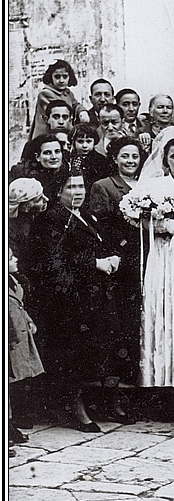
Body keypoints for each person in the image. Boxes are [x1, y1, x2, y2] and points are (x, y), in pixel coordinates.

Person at [29, 170, 123, 431]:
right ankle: (75, 408)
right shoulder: (51, 220)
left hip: (96, 295)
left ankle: (108, 402)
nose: (78, 192)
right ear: (59, 192)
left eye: (81, 186)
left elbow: (100, 245)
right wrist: (95, 263)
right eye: (71, 187)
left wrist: (111, 258)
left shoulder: (87, 216)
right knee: (72, 354)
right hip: (70, 299)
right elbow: (53, 260)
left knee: (105, 347)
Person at [120, 127, 174, 391]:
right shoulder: (155, 185)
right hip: (162, 254)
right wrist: (162, 225)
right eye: (173, 156)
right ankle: (159, 380)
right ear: (165, 159)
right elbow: (134, 216)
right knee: (162, 303)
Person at [89, 137, 147, 389]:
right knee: (124, 319)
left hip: (148, 258)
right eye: (125, 156)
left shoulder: (148, 184)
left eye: (134, 156)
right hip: (123, 260)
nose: (130, 161)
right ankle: (121, 378)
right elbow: (102, 226)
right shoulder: (105, 186)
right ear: (115, 159)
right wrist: (122, 249)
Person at [8, 247, 45, 444]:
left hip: (21, 337)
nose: (16, 259)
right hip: (10, 340)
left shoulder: (13, 282)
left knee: (16, 383)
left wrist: (29, 320)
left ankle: (11, 424)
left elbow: (19, 306)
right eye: (11, 257)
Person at [29, 59, 86, 140]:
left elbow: (75, 104)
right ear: (50, 77)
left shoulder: (68, 93)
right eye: (57, 77)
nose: (61, 80)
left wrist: (82, 111)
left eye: (65, 76)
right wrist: (76, 132)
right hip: (47, 134)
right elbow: (58, 116)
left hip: (62, 132)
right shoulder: (46, 94)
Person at [10, 133, 68, 207]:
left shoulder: (68, 173)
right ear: (37, 157)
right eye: (47, 153)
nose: (54, 157)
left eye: (57, 151)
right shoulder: (23, 173)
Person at [8, 179, 49, 280]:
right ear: (26, 206)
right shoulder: (10, 231)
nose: (46, 199)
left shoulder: (35, 216)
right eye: (39, 199)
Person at [69, 123, 109, 192]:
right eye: (80, 141)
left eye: (88, 141)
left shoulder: (100, 160)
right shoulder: (70, 158)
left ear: (94, 142)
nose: (85, 145)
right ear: (73, 142)